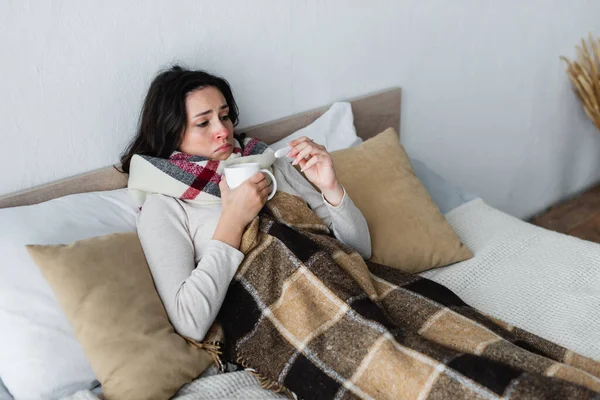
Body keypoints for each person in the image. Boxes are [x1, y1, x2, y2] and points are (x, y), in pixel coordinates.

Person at [120, 65, 371, 343]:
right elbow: (189, 321)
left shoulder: (267, 163)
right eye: (203, 123)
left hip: (348, 291)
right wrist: (233, 221)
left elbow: (360, 251)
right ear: (171, 133)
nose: (223, 131)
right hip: (287, 329)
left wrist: (330, 187)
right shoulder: (164, 205)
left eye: (225, 116)